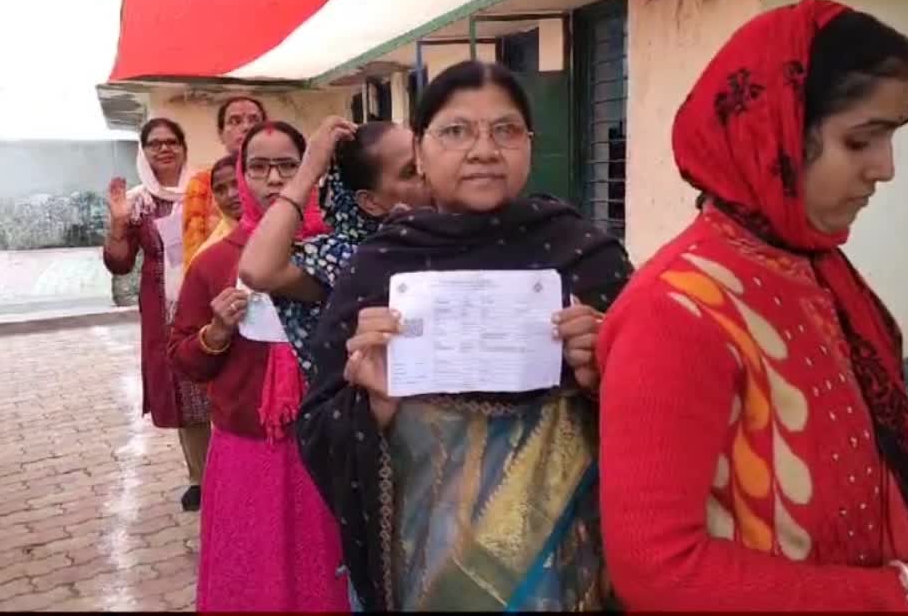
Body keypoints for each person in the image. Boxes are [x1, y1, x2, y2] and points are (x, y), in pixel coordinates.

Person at [595, 0, 908, 612]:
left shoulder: (817, 272)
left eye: (891, 137)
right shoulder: (677, 311)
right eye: (861, 140)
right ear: (775, 134)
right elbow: (659, 570)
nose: (885, 169)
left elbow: (861, 467)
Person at [297, 61, 633, 611]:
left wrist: (606, 373)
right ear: (421, 155)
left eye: (505, 130)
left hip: (570, 576)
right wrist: (374, 405)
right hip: (428, 576)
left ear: (529, 145)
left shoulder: (587, 257)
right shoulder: (380, 270)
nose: (483, 149)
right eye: (456, 131)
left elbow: (667, 415)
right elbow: (317, 429)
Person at [169, 120, 347, 611]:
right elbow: (185, 359)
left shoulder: (338, 252)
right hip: (247, 449)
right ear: (242, 176)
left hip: (326, 447)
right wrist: (216, 333)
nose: (273, 179)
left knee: (326, 570)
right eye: (260, 167)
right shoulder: (212, 263)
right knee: (251, 576)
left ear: (311, 172)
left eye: (288, 166)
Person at [237, 117, 431, 378]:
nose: (428, 176)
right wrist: (307, 171)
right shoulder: (348, 259)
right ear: (370, 202)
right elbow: (258, 272)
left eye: (426, 162)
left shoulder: (460, 233)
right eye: (410, 172)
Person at [103, 117, 211, 512]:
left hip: (209, 293)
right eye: (154, 144)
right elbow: (119, 264)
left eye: (171, 142)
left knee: (219, 385)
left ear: (183, 147)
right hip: (162, 306)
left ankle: (234, 470)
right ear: (143, 152)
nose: (164, 149)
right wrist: (118, 223)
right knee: (185, 391)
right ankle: (201, 477)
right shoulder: (136, 202)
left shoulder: (207, 189)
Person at [183, 97, 267, 267]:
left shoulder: (280, 176)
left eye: (254, 120)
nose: (246, 127)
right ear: (221, 134)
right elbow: (194, 251)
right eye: (234, 121)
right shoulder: (203, 183)